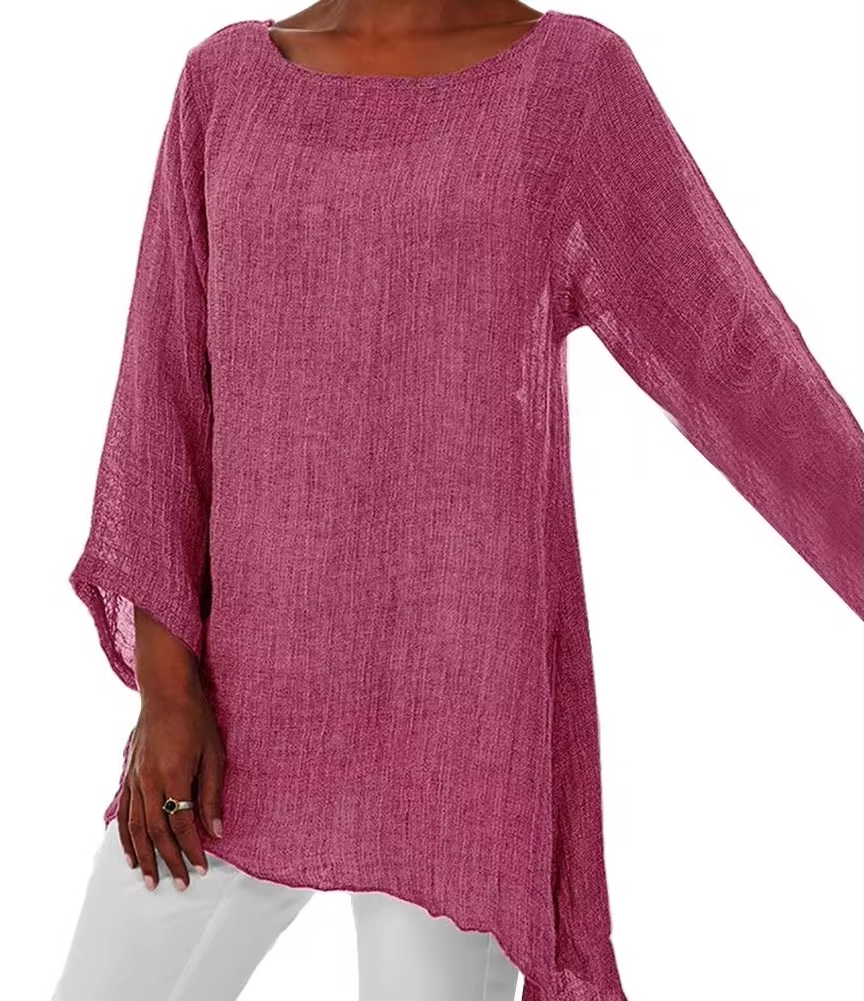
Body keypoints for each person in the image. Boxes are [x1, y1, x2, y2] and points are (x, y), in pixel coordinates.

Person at [52, 3, 864, 1000]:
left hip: (457, 709)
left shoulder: (567, 83)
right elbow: (164, 388)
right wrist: (169, 691)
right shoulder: (224, 83)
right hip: (238, 700)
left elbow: (730, 356)